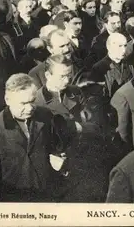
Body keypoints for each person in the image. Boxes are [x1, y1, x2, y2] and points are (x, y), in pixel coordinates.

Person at [0, 73, 81, 202]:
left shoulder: (45, 116)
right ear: (7, 100)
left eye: (32, 101)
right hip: (15, 205)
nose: (30, 108)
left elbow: (58, 147)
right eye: (23, 103)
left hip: (47, 198)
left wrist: (61, 159)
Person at [34, 55, 107, 202]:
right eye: (62, 76)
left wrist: (75, 127)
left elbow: (95, 125)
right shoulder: (37, 102)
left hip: (82, 159)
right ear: (47, 75)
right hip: (57, 168)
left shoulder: (76, 92)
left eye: (69, 75)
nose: (67, 80)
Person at [91, 33, 133, 98]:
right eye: (119, 46)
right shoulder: (99, 68)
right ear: (109, 47)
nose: (124, 50)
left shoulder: (129, 63)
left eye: (125, 46)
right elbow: (99, 97)